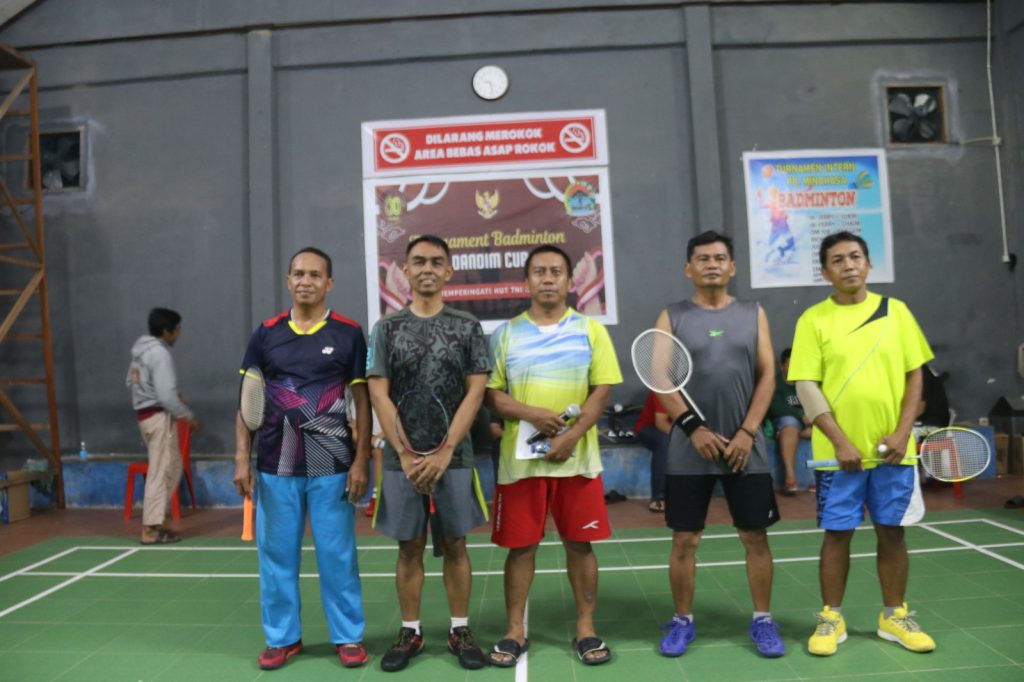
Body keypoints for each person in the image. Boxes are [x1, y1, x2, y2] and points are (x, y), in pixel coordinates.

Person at [789, 231, 936, 656]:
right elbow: (806, 386)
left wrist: (904, 432)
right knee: (837, 535)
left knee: (892, 533)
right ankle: (831, 618)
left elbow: (915, 375)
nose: (848, 265)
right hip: (839, 457)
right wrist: (840, 442)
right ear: (825, 272)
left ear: (868, 264)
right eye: (837, 260)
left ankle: (894, 616)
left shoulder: (897, 311)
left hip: (893, 451)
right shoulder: (813, 320)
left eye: (855, 257)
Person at [232, 247, 371, 671]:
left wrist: (362, 460)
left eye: (314, 274)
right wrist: (241, 458)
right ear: (288, 280)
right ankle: (282, 638)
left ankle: (347, 636)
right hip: (275, 466)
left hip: (333, 466)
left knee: (338, 556)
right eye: (298, 274)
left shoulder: (348, 333)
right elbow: (246, 400)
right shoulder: (266, 333)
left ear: (329, 283)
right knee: (276, 557)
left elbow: (362, 401)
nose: (305, 281)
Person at [485, 244, 623, 668]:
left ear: (569, 280)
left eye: (556, 271)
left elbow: (601, 391)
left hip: (576, 462)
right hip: (520, 465)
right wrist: (533, 415)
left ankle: (586, 628)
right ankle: (514, 630)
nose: (548, 278)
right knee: (520, 548)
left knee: (580, 545)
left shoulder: (590, 330)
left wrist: (571, 437)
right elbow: (492, 395)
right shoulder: (506, 334)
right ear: (526, 281)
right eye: (539, 271)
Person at [652, 230, 785, 659]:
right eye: (703, 258)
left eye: (719, 258)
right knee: (685, 540)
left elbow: (768, 375)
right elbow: (660, 378)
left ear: (732, 267)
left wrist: (748, 431)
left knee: (754, 536)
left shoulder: (753, 313)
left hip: (747, 446)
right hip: (689, 448)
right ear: (688, 268)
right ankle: (682, 621)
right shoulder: (672, 315)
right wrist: (693, 428)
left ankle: (763, 620)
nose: (712, 264)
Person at [366, 235, 491, 673]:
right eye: (418, 261)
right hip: (402, 460)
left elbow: (476, 393)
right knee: (409, 547)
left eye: (437, 262)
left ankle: (460, 630)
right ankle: (411, 632)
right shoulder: (385, 329)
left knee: (455, 543)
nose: (427, 269)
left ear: (448, 271)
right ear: (405, 270)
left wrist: (445, 450)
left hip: (453, 458)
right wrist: (403, 453)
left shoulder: (468, 327)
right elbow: (378, 394)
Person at [127, 307, 201, 545]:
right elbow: (166, 397)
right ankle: (150, 530)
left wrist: (171, 395)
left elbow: (135, 382)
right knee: (160, 472)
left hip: (146, 416)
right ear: (167, 331)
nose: (178, 334)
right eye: (177, 330)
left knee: (172, 466)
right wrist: (188, 416)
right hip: (158, 418)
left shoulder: (140, 353)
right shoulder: (159, 353)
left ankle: (157, 519)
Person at [767, 347, 813, 494]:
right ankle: (790, 477)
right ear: (782, 365)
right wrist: (800, 414)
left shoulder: (806, 383)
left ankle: (815, 479)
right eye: (790, 364)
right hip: (784, 422)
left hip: (807, 425)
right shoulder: (775, 383)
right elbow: (774, 407)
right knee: (790, 424)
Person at [634, 392, 670, 512]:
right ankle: (658, 497)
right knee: (664, 443)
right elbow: (661, 424)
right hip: (648, 428)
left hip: (676, 429)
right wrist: (683, 438)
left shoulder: (696, 390)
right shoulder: (663, 389)